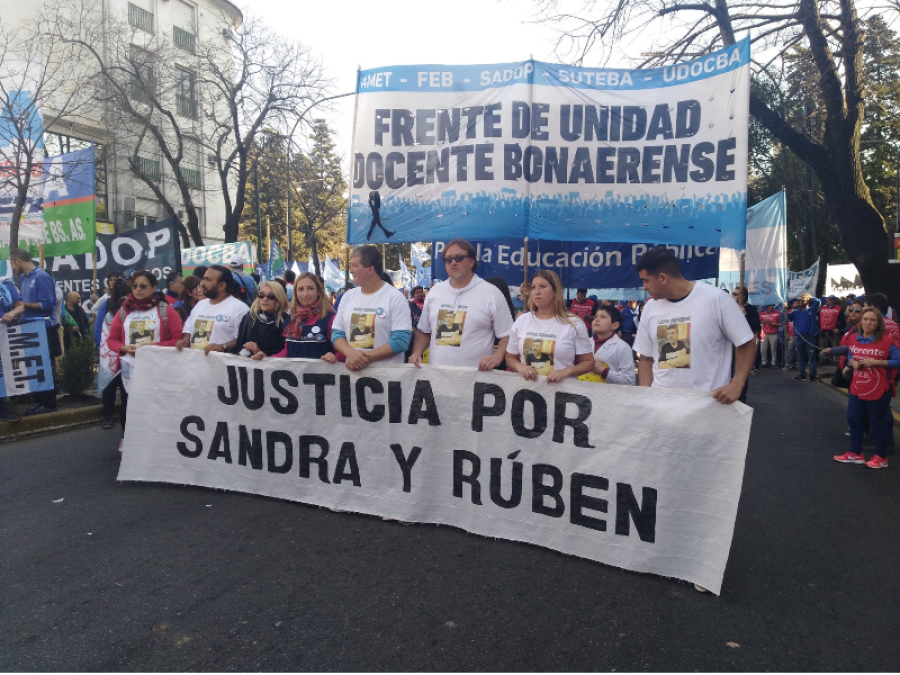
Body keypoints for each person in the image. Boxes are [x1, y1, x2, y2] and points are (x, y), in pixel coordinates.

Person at [634, 248, 755, 404]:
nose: (644, 287)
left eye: (646, 280)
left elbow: (747, 342)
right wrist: (646, 395)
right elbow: (645, 357)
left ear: (663, 278)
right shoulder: (650, 308)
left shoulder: (717, 299)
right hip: (662, 408)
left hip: (707, 409)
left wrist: (737, 383)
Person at [106, 270, 184, 451]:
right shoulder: (124, 311)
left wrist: (154, 346)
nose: (138, 290)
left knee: (157, 406)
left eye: (143, 286)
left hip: (158, 369)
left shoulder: (165, 310)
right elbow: (112, 340)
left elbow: (177, 339)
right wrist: (124, 348)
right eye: (134, 286)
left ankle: (159, 443)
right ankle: (130, 439)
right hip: (130, 368)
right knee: (129, 405)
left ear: (154, 287)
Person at [409, 239, 513, 371]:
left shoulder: (491, 293)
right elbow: (424, 330)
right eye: (448, 259)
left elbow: (507, 333)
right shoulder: (435, 291)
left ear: (471, 261)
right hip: (436, 378)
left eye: (458, 258)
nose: (453, 262)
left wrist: (497, 356)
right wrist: (417, 352)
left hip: (475, 379)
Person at [825, 307, 900, 469]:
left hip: (879, 387)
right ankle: (855, 453)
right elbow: (851, 355)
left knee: (877, 423)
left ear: (878, 323)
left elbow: (898, 360)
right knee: (853, 419)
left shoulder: (886, 341)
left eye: (873, 320)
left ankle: (881, 457)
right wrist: (852, 363)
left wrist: (877, 362)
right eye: (866, 319)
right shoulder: (853, 338)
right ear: (861, 321)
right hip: (858, 386)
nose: (868, 322)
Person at [332, 246, 411, 371]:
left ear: (370, 269)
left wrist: (362, 358)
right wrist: (350, 353)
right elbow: (336, 334)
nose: (350, 270)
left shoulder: (395, 297)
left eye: (354, 266)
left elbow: (401, 341)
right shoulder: (348, 296)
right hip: (353, 379)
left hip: (387, 380)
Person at [506, 270, 594, 382]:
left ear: (555, 291)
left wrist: (566, 371)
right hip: (527, 392)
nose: (537, 292)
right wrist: (520, 367)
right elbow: (510, 358)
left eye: (543, 286)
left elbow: (588, 362)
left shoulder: (574, 323)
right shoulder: (522, 320)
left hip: (562, 393)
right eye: (533, 287)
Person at [9, 249, 61, 415]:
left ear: (18, 261)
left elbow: (47, 305)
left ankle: (49, 403)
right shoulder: (24, 278)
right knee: (36, 365)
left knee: (47, 365)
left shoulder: (42, 277)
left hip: (45, 327)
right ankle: (39, 400)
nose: (12, 267)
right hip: (31, 328)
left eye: (11, 263)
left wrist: (24, 305)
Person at [176, 266, 250, 355]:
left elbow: (242, 341)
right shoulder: (200, 305)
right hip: (196, 365)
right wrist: (185, 341)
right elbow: (188, 329)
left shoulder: (240, 309)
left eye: (208, 280)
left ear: (221, 285)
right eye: (203, 279)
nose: (202, 284)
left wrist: (222, 347)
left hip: (222, 367)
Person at [269, 273, 338, 362]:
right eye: (300, 289)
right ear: (296, 293)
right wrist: (266, 360)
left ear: (318, 292)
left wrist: (334, 357)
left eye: (310, 288)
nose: (305, 294)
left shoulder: (330, 319)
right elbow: (287, 351)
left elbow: (342, 352)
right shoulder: (290, 320)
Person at [97, 279, 129, 430]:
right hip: (111, 351)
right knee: (114, 387)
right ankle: (109, 416)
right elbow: (100, 326)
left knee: (118, 388)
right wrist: (100, 344)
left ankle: (109, 417)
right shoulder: (108, 306)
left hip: (120, 353)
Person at [233, 281, 289, 360]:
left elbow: (286, 353)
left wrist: (259, 351)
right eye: (261, 295)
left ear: (279, 300)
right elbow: (238, 347)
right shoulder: (249, 318)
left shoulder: (286, 321)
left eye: (271, 296)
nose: (265, 299)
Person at [590, 305, 636, 385]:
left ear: (615, 325)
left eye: (603, 317)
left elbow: (629, 381)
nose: (596, 319)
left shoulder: (623, 347)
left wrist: (603, 371)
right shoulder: (585, 343)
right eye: (595, 317)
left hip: (609, 395)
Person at [0, 276, 25, 422]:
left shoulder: (5, 285)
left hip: (3, 336)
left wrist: (11, 313)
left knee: (2, 372)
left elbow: (20, 305)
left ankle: (2, 408)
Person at [789, 294, 821, 381]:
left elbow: (818, 301)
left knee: (812, 358)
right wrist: (786, 306)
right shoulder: (796, 312)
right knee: (800, 357)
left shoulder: (812, 310)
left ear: (808, 301)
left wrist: (810, 297)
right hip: (799, 338)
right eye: (800, 301)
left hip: (810, 338)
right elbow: (786, 318)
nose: (801, 302)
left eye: (803, 300)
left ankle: (812, 375)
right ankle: (802, 374)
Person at [818, 295, 845, 362]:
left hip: (833, 330)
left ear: (833, 301)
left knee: (835, 345)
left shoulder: (839, 308)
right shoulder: (822, 308)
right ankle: (823, 359)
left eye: (829, 299)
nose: (827, 300)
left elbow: (842, 320)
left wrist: (838, 328)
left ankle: (837, 360)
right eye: (827, 299)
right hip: (823, 330)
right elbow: (819, 318)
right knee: (822, 345)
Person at [759, 303, 781, 368]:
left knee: (773, 349)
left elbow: (781, 323)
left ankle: (773, 362)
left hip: (774, 333)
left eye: (773, 306)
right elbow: (758, 323)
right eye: (770, 306)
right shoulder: (762, 314)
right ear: (767, 306)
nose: (772, 307)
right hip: (764, 333)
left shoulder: (778, 313)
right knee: (763, 349)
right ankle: (764, 362)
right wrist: (764, 322)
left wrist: (772, 324)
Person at [783, 298, 801, 370]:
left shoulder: (801, 312)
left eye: (798, 303)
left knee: (798, 350)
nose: (797, 304)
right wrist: (786, 333)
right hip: (790, 334)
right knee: (790, 349)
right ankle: (787, 364)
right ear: (792, 304)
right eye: (795, 303)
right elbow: (785, 323)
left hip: (799, 334)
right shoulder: (788, 312)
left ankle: (796, 363)